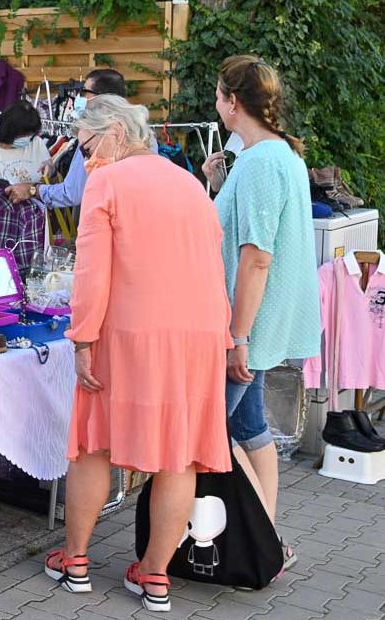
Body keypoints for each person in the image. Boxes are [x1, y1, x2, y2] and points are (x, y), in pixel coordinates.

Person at [44, 95, 233, 613]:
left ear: (117, 135)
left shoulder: (108, 182)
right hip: (197, 337)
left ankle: (76, 560)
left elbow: (91, 272)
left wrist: (82, 338)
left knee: (92, 443)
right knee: (179, 456)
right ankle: (154, 577)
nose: (82, 160)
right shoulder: (191, 184)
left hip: (128, 333)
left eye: (84, 147)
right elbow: (213, 265)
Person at [202, 55, 321, 568]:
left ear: (232, 102)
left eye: (218, 96)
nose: (214, 104)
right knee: (250, 431)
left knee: (212, 436)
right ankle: (268, 540)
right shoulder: (277, 155)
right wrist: (214, 182)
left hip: (249, 324)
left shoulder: (261, 163)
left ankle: (257, 544)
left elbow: (256, 257)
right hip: (259, 321)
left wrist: (238, 335)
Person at [7, 69, 141, 206]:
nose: (80, 97)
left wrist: (33, 190)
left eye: (84, 92)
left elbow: (72, 193)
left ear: (101, 97)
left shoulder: (93, 133)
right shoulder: (142, 132)